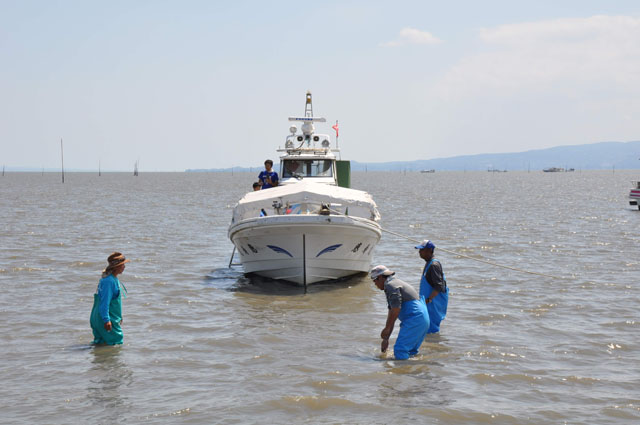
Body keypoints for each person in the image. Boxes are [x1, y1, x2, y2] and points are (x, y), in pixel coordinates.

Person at [371, 265, 429, 360]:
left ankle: (401, 373)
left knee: (400, 350)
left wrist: (387, 328)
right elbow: (391, 311)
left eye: (374, 280)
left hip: (415, 318)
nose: (375, 284)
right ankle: (411, 371)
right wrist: (386, 338)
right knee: (411, 352)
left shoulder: (390, 286)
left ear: (381, 277)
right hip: (422, 318)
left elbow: (396, 309)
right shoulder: (394, 283)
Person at [90, 252, 130, 345]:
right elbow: (105, 302)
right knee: (115, 344)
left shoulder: (109, 279)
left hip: (98, 317)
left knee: (101, 345)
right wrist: (106, 320)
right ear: (116, 267)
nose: (124, 267)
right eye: (122, 264)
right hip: (105, 318)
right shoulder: (109, 281)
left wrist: (119, 316)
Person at [415, 239, 448, 334]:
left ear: (429, 250)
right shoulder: (429, 263)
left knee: (431, 330)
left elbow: (439, 286)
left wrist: (428, 300)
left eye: (422, 250)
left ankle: (434, 346)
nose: (419, 252)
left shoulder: (434, 265)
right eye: (419, 250)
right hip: (428, 303)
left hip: (433, 304)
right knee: (426, 329)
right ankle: (430, 348)